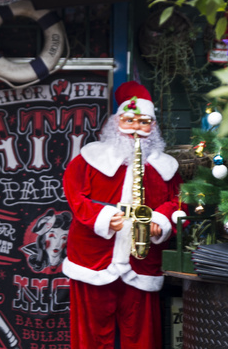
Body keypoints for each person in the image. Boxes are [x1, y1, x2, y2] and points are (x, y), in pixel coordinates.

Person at [61, 81, 183, 349]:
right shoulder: (89, 159)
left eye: (143, 122)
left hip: (141, 259)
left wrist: (160, 221)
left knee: (141, 333)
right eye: (129, 121)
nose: (136, 129)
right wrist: (101, 217)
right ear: (116, 123)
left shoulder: (165, 167)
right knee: (90, 331)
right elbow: (74, 193)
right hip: (94, 256)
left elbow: (177, 201)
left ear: (153, 127)